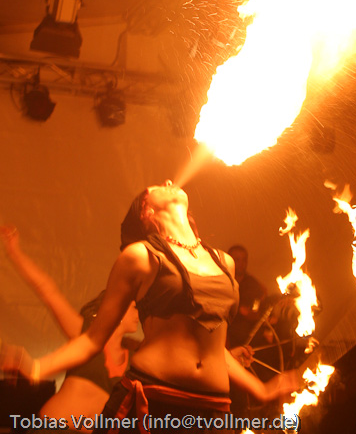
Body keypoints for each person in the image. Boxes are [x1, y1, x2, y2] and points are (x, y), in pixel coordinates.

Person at [0, 181, 296, 432]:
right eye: (157, 186)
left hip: (212, 408)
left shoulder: (224, 262)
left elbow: (214, 346)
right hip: (153, 400)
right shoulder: (140, 256)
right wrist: (36, 367)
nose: (169, 182)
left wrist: (261, 388)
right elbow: (91, 340)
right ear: (147, 211)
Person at [0, 225, 139, 429]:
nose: (139, 314)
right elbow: (47, 290)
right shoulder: (84, 334)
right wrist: (15, 253)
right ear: (117, 309)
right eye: (134, 308)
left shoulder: (135, 358)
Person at [227, 244, 267, 349]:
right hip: (225, 330)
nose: (241, 264)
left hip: (246, 332)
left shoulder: (252, 284)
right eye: (237, 260)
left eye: (244, 260)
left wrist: (251, 313)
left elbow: (256, 308)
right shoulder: (223, 281)